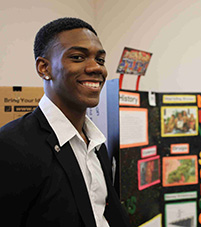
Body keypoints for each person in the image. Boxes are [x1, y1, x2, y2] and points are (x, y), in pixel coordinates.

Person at [0, 17, 130, 227]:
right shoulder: (11, 146)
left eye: (100, 60)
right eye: (78, 57)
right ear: (44, 68)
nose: (96, 68)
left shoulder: (96, 143)